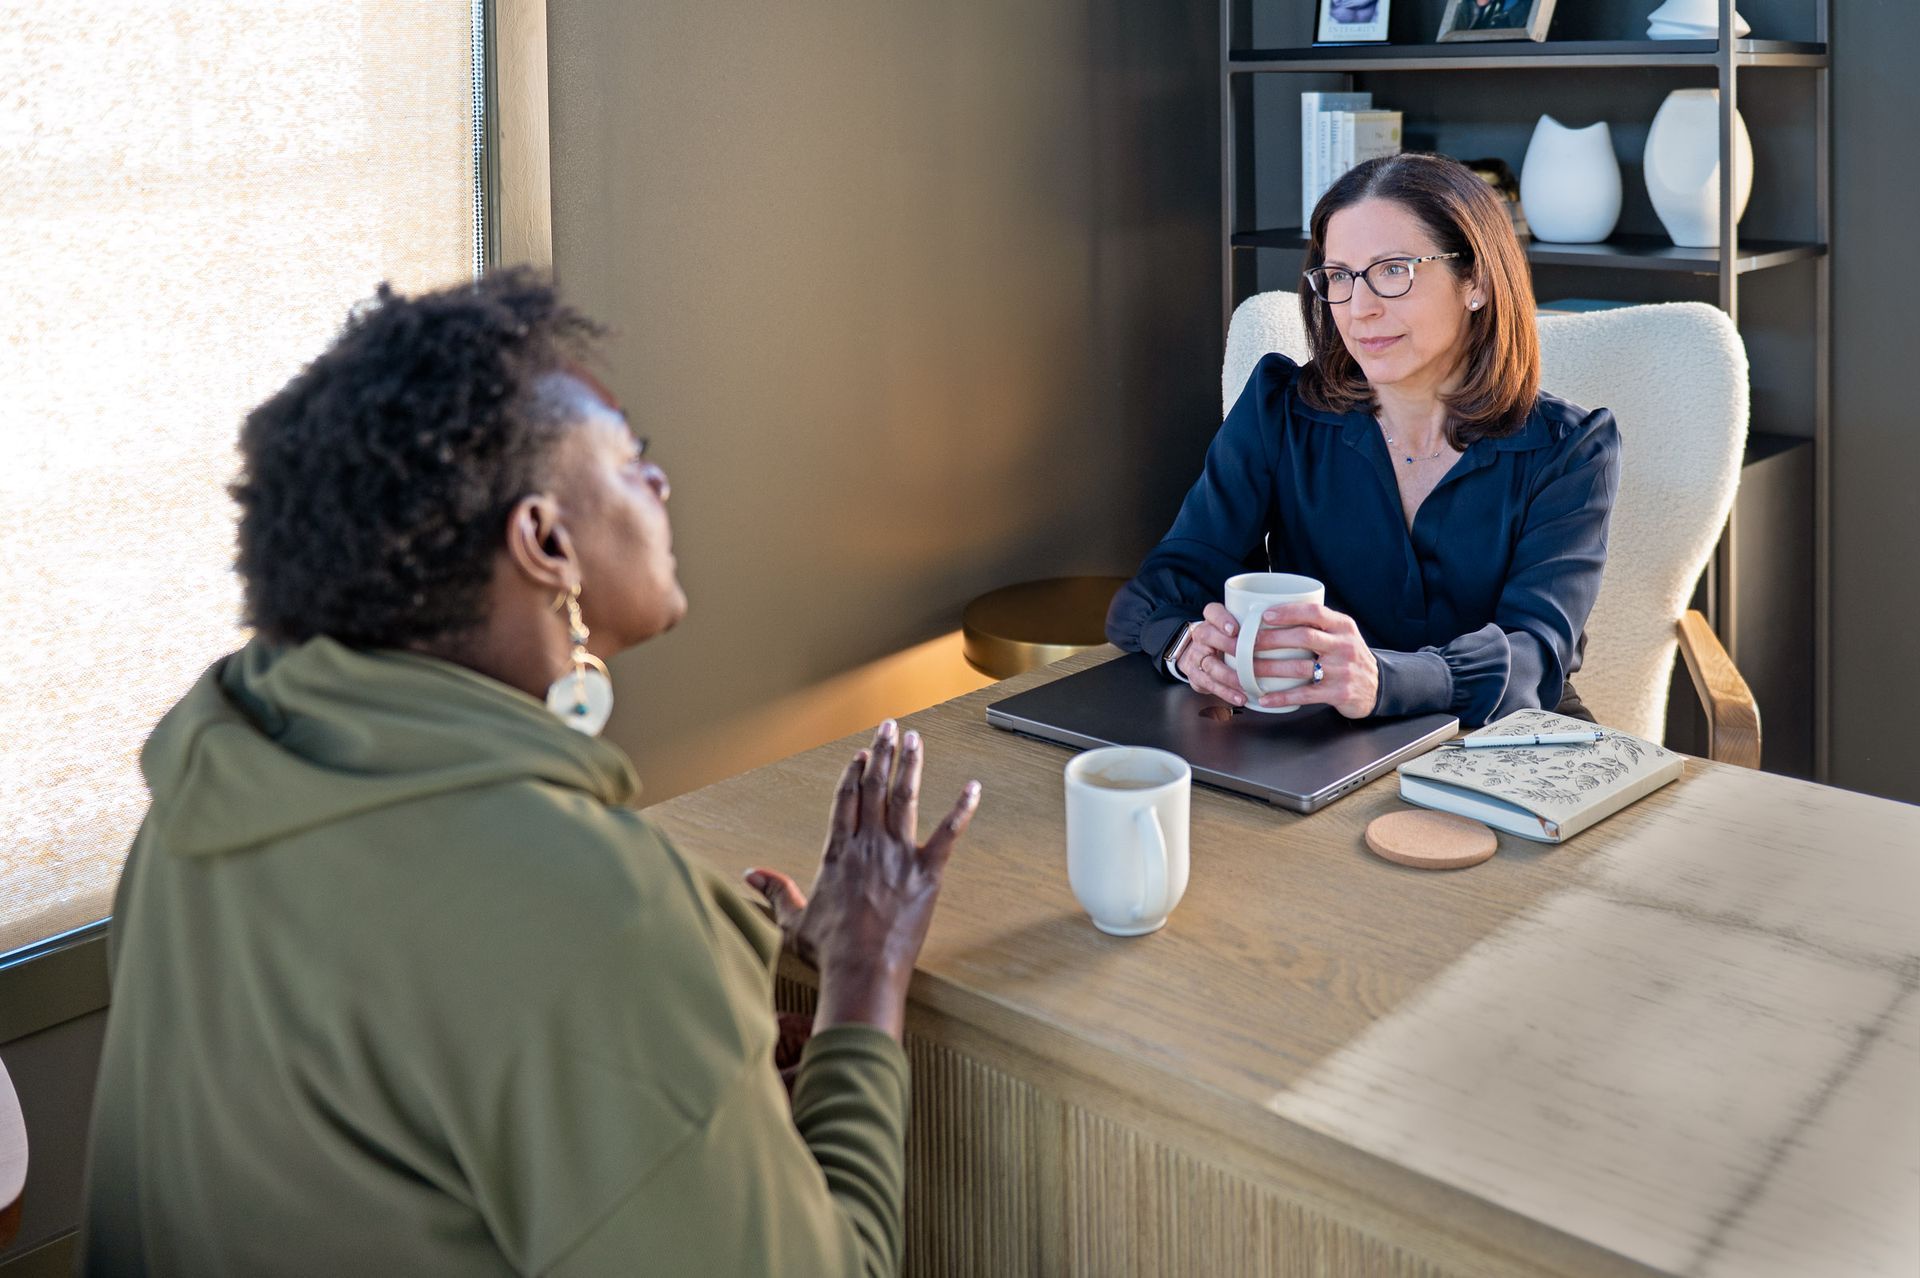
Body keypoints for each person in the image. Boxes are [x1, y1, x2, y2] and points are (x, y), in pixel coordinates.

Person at [79, 269, 981, 1276]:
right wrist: (864, 978)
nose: (661, 483)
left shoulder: (201, 809)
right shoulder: (597, 917)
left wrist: (682, 1032)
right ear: (546, 541)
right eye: (631, 456)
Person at [1106, 153, 1620, 727]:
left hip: (1502, 739)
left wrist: (1382, 680)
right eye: (1340, 276)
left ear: (1475, 282)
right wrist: (1187, 647)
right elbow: (1159, 589)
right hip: (1318, 737)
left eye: (1393, 270)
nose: (1360, 308)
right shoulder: (1279, 410)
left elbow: (1535, 659)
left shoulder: (1571, 448)